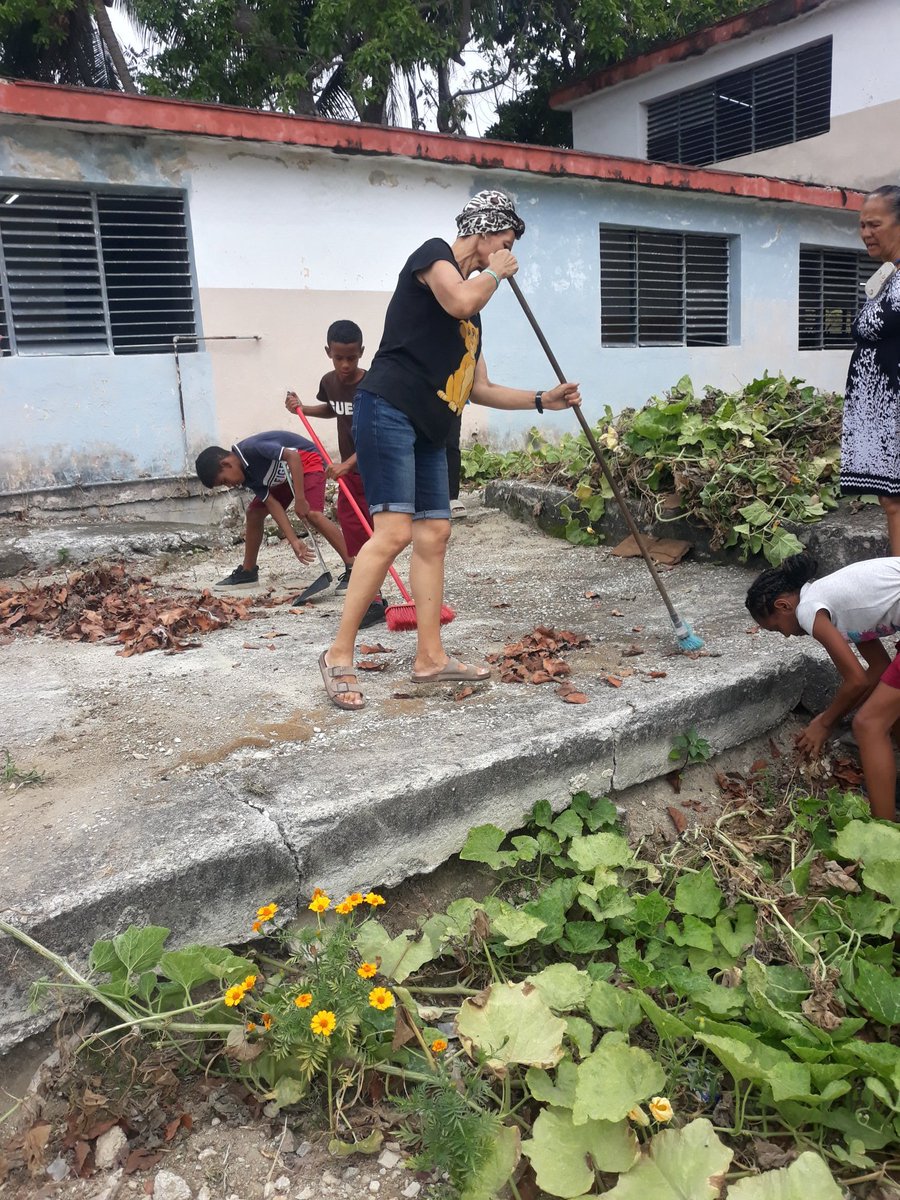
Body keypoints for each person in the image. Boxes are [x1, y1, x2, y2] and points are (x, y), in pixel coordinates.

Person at [318, 188, 581, 711]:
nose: (510, 248)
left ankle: (430, 658)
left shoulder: (473, 316)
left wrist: (541, 400)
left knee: (434, 533)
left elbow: (476, 387)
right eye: (507, 237)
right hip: (389, 408)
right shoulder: (434, 257)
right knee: (393, 532)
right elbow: (460, 297)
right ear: (485, 229)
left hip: (432, 426)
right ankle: (338, 654)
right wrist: (497, 273)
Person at [747, 551, 900, 820]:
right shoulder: (836, 600)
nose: (784, 635)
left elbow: (856, 679)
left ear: (783, 606)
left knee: (868, 724)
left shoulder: (808, 608)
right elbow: (879, 669)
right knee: (888, 711)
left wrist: (826, 722)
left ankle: (884, 836)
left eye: (775, 628)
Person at [286, 319, 386, 629]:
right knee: (353, 529)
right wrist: (304, 409)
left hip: (374, 468)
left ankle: (374, 596)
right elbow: (333, 407)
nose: (345, 365)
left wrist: (348, 464)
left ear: (362, 353)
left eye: (352, 358)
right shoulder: (329, 382)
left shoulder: (371, 385)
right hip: (350, 473)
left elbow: (376, 434)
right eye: (339, 357)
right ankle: (373, 598)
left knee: (376, 534)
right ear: (328, 352)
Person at [195, 430, 352, 587]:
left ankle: (353, 566)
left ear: (226, 464)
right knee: (254, 512)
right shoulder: (246, 474)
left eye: (224, 481)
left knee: (311, 513)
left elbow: (293, 456)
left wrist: (300, 498)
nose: (229, 486)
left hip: (307, 461)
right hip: (285, 477)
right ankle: (248, 572)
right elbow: (272, 503)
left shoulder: (253, 448)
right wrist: (294, 541)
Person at [840, 185, 900, 552]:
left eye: (874, 224)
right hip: (880, 409)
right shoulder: (888, 275)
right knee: (891, 502)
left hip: (893, 405)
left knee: (896, 503)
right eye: (862, 225)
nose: (865, 233)